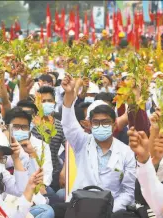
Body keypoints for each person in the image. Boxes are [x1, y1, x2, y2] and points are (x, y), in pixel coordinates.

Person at [54, 74, 136, 216]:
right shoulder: (82, 142)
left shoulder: (126, 152)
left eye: (105, 122)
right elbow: (68, 123)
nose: (100, 126)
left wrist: (107, 210)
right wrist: (69, 94)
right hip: (80, 206)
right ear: (90, 124)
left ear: (114, 124)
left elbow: (128, 191)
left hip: (111, 210)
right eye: (96, 123)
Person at [32, 86, 66, 202]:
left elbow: (69, 148)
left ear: (54, 103)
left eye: (49, 101)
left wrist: (64, 169)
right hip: (36, 174)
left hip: (56, 174)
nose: (46, 104)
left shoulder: (60, 125)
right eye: (43, 101)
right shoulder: (31, 124)